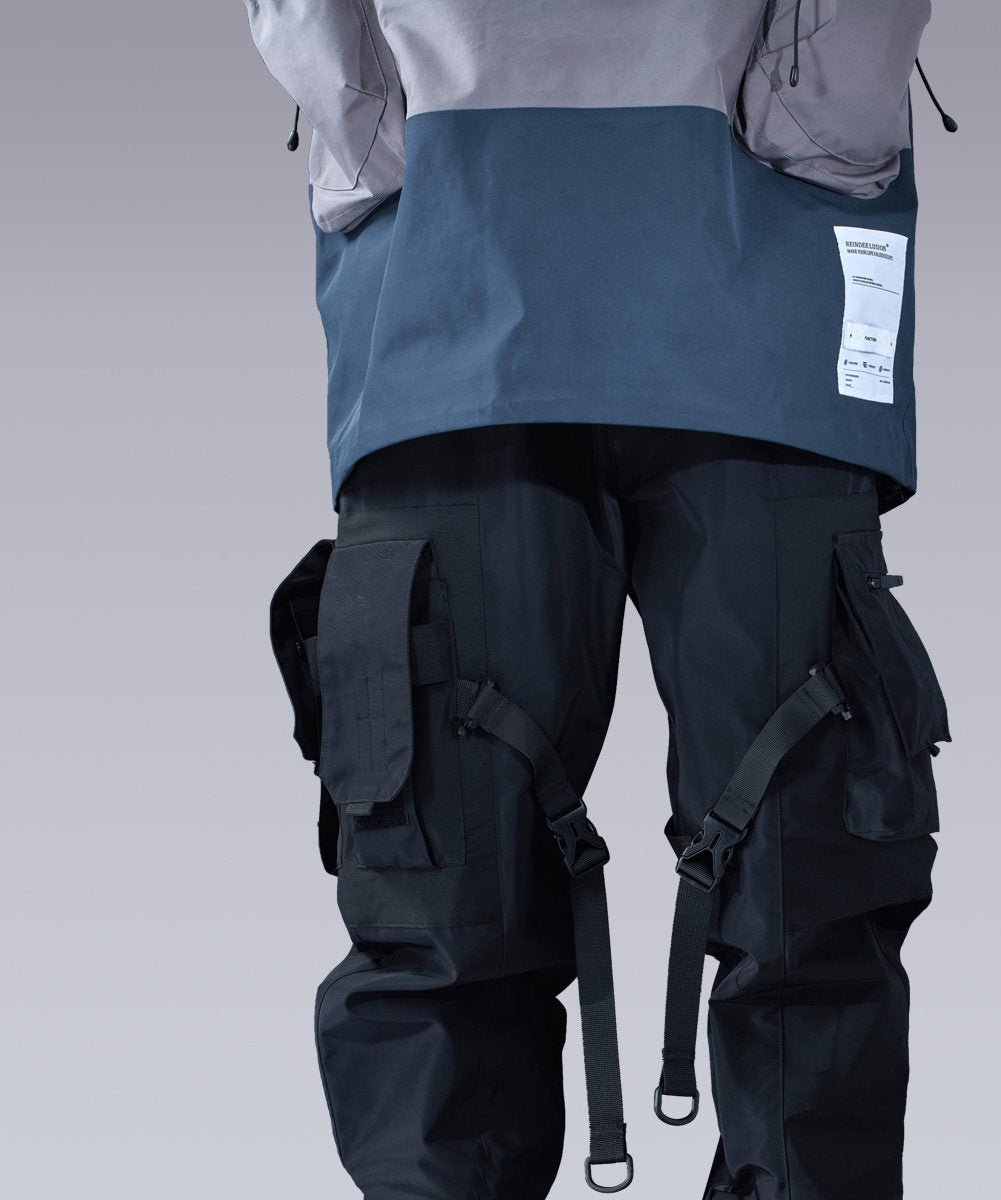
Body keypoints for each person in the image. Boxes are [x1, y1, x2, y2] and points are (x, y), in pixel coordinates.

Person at [250, 3, 954, 1196]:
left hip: (580, 271)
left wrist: (365, 122)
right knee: (767, 889)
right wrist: (822, 110)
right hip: (593, 268)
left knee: (772, 881)